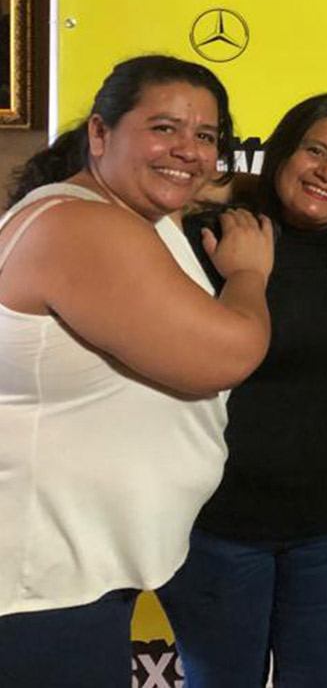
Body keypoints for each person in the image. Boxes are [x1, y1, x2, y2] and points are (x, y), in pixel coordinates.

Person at [0, 55, 274, 687]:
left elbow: (195, 186)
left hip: (69, 583)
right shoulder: (79, 225)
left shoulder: (124, 214)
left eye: (205, 135)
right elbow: (226, 355)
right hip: (38, 592)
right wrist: (248, 274)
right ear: (99, 133)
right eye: (164, 128)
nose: (188, 150)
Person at [156, 93, 327, 687]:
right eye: (315, 150)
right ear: (283, 152)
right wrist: (224, 194)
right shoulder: (216, 239)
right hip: (220, 526)